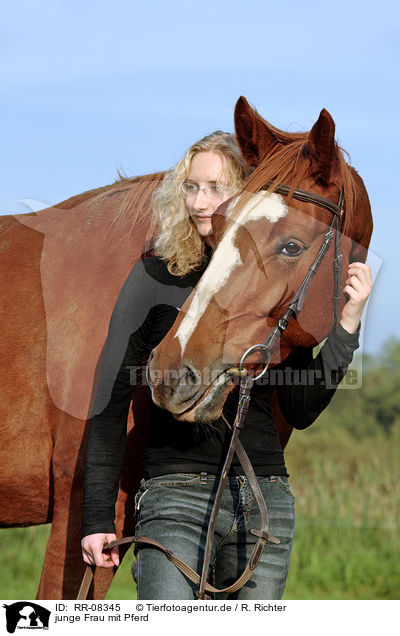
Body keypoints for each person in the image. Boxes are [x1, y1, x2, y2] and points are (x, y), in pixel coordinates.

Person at [81, 131, 373, 600]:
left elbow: (300, 407)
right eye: (192, 187)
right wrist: (96, 518)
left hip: (263, 499)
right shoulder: (156, 274)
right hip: (174, 494)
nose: (201, 202)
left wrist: (346, 329)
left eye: (216, 189)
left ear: (247, 193)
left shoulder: (273, 279)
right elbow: (110, 399)